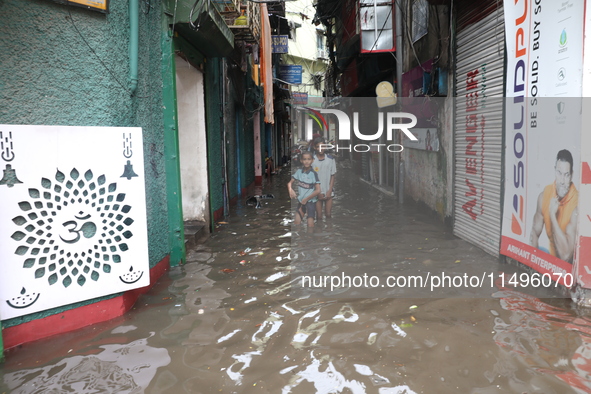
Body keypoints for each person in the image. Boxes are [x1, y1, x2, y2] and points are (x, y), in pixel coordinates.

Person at [530, 149, 579, 263]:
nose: (562, 181)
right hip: (550, 263)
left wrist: (552, 215)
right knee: (540, 251)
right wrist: (533, 264)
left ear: (571, 175)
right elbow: (534, 232)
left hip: (568, 268)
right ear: (554, 171)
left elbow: (565, 255)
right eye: (559, 173)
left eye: (566, 175)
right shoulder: (545, 195)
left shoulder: (576, 205)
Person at [288, 151, 321, 227]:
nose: (306, 161)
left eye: (309, 159)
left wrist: (306, 199)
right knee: (296, 223)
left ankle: (310, 238)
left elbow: (318, 190)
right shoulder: (299, 172)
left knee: (310, 226)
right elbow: (289, 183)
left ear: (312, 160)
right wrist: (290, 189)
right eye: (304, 159)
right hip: (301, 202)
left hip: (310, 202)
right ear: (301, 160)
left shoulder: (313, 174)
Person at [312, 137, 337, 220]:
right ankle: (319, 231)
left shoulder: (330, 159)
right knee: (318, 216)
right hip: (316, 193)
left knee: (328, 215)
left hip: (328, 191)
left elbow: (332, 176)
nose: (321, 149)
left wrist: (329, 191)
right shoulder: (312, 160)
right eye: (318, 146)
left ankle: (329, 231)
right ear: (315, 148)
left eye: (322, 146)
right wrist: (317, 192)